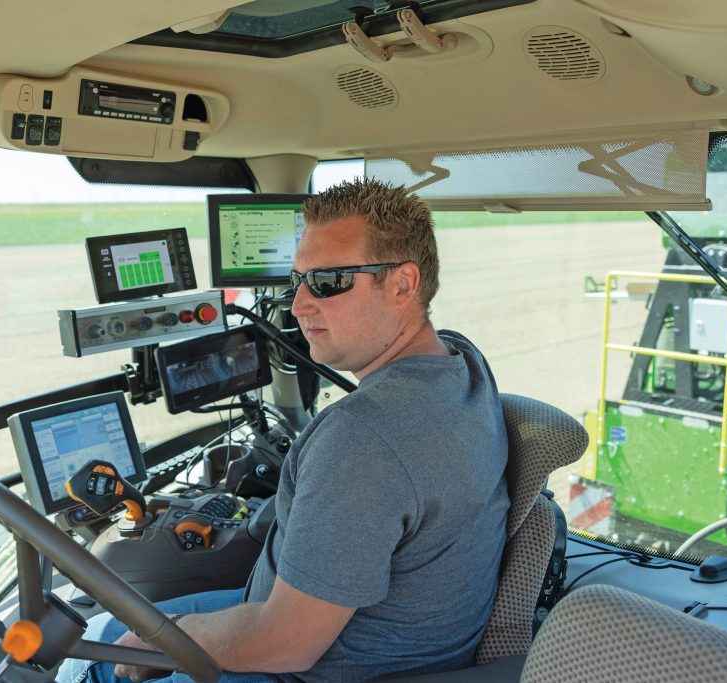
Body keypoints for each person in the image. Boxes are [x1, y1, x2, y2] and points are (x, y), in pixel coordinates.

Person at [58, 178, 509, 683]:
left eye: (328, 282)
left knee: (86, 658)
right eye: (298, 280)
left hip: (304, 668)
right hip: (371, 638)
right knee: (102, 625)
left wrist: (157, 640)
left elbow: (284, 645)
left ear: (404, 284)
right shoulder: (461, 362)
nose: (298, 306)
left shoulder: (363, 439)